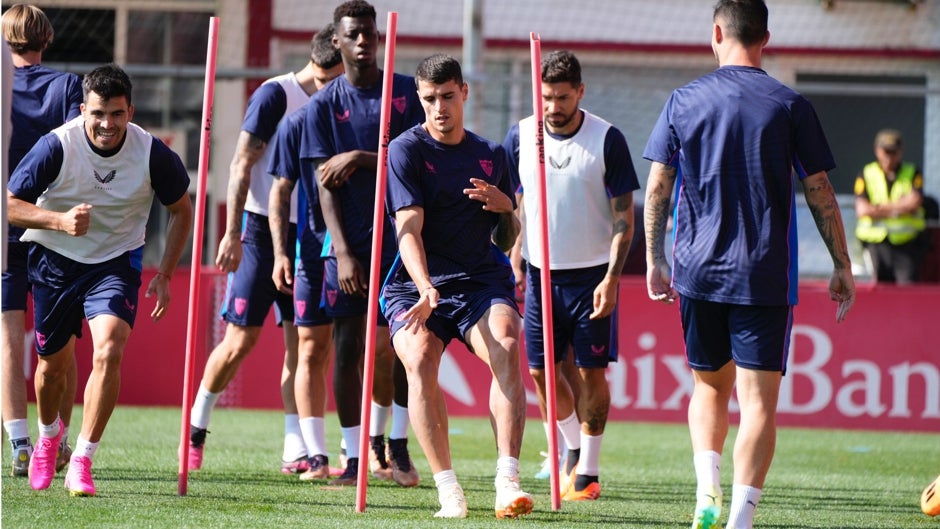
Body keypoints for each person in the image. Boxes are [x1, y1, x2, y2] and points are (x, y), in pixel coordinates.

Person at [642, 2, 855, 528]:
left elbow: (658, 188)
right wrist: (842, 264)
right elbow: (820, 190)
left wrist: (653, 259)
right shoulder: (789, 104)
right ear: (766, 37)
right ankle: (739, 520)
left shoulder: (683, 100)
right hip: (762, 275)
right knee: (758, 403)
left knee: (709, 388)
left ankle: (705, 493)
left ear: (716, 33)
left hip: (696, 271)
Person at [7, 63, 193, 496]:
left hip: (114, 262)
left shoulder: (151, 153)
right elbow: (10, 203)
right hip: (55, 259)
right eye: (98, 114)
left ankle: (83, 461)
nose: (106, 124)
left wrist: (164, 273)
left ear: (130, 111)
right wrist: (58, 220)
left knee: (109, 348)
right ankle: (50, 436)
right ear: (82, 111)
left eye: (116, 113)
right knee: (52, 369)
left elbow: (182, 209)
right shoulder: (57, 145)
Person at [184, 23, 344, 475]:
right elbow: (240, 164)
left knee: (304, 345)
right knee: (241, 340)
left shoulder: (340, 102)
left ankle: (296, 448)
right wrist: (231, 233)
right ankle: (196, 427)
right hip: (259, 229)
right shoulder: (276, 95)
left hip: (311, 235)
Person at [383, 53, 534, 519]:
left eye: (448, 96)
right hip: (416, 284)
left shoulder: (493, 156)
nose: (439, 108)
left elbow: (509, 237)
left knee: (507, 345)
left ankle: (507, 481)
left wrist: (507, 208)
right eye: (429, 99)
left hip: (479, 281)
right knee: (420, 358)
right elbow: (407, 229)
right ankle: (449, 490)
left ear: (464, 93)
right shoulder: (405, 150)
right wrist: (425, 287)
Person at [504, 49, 640, 501]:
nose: (553, 107)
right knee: (541, 371)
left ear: (580, 92)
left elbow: (625, 216)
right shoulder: (520, 136)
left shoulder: (607, 139)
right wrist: (517, 250)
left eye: (563, 97)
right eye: (546, 97)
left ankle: (588, 471)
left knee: (590, 371)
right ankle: (572, 446)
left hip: (592, 276)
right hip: (542, 274)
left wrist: (613, 278)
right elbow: (517, 201)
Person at [299, 0, 422, 487]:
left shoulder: (407, 93)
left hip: (403, 242)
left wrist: (363, 155)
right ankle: (353, 460)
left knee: (407, 348)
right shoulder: (322, 105)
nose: (364, 41)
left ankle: (400, 446)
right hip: (347, 246)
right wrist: (343, 251)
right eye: (354, 34)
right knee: (349, 348)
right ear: (338, 40)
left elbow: (416, 158)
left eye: (370, 32)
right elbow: (322, 181)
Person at [2, 3, 83, 478]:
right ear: (45, 38)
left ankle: (18, 442)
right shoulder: (67, 86)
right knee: (61, 344)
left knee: (9, 336)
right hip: (52, 225)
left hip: (5, 223)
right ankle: (61, 442)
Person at [267, 22, 345, 481]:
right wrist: (280, 252)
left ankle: (370, 449)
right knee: (309, 347)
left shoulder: (369, 113)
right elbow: (281, 192)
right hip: (310, 249)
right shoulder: (297, 121)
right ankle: (314, 455)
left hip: (366, 248)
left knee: (367, 349)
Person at [854, 128, 926, 285]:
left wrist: (877, 208)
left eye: (893, 152)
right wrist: (899, 207)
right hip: (875, 243)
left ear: (900, 152)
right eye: (885, 151)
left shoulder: (913, 172)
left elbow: (914, 202)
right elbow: (862, 210)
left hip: (906, 244)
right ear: (877, 150)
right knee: (879, 290)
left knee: (907, 290)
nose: (889, 157)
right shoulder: (866, 173)